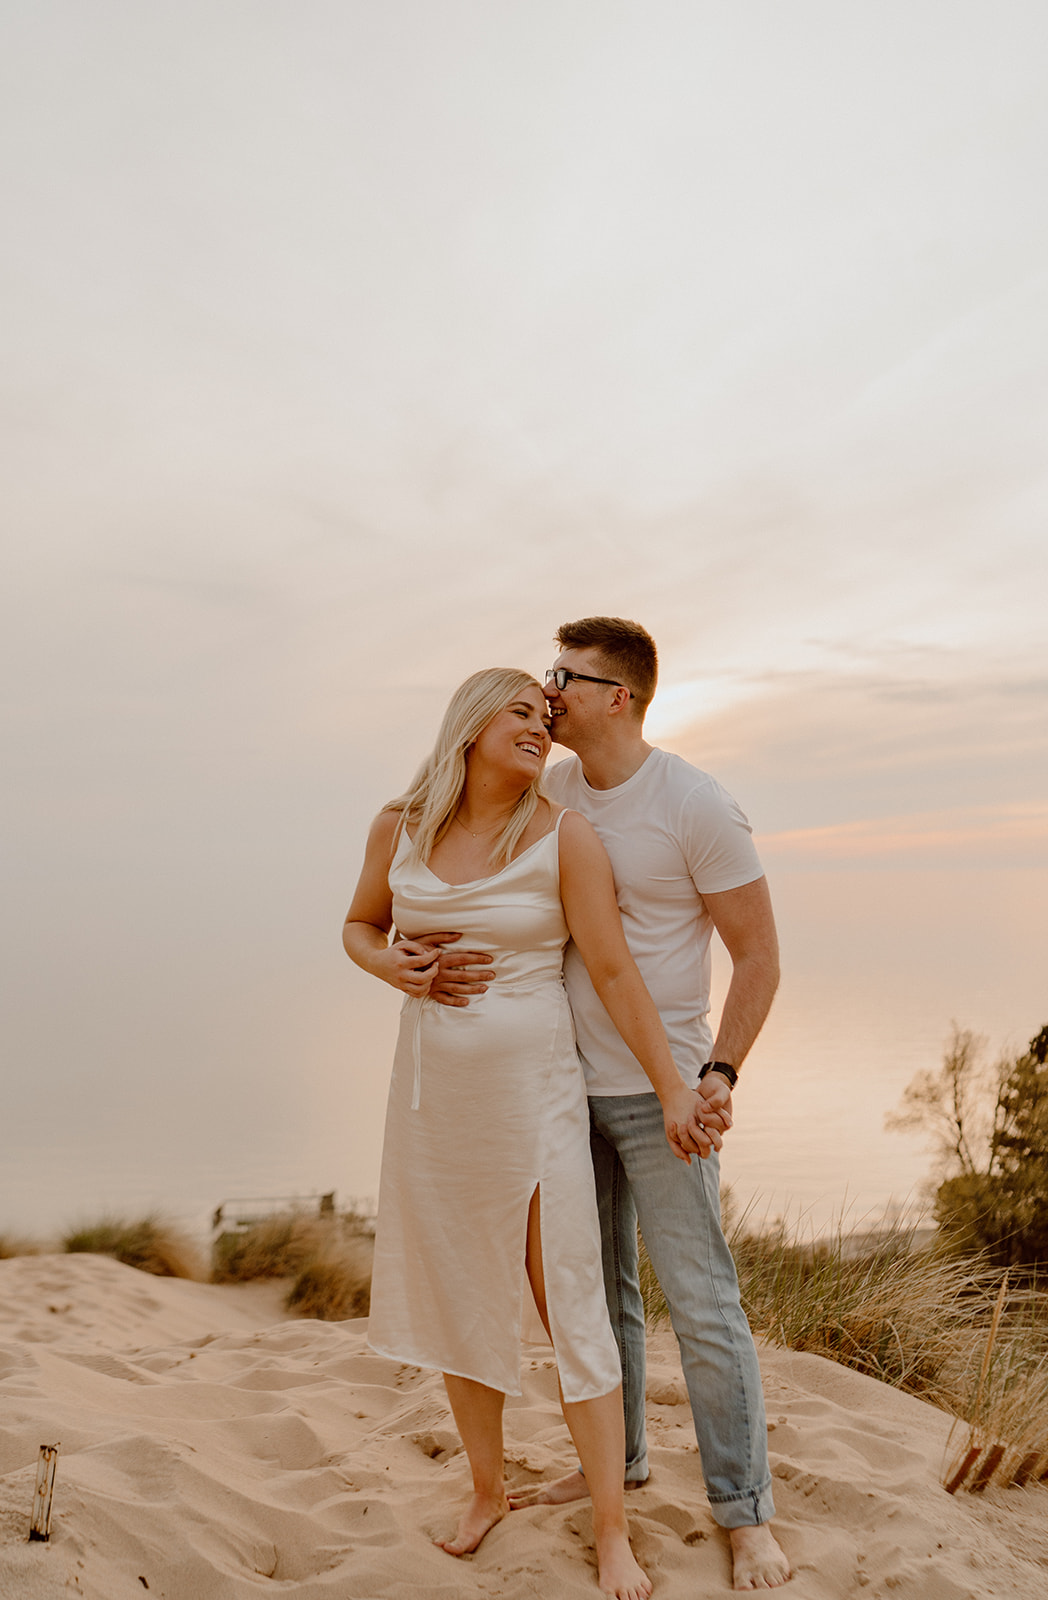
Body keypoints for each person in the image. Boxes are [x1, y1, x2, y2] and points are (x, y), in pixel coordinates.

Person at [342, 666, 722, 1600]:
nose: (538, 728)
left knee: (572, 1308)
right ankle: (485, 1490)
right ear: (470, 725)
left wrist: (675, 1089)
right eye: (520, 711)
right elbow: (358, 927)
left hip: (537, 1100)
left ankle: (610, 1528)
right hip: (435, 1105)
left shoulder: (565, 836)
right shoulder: (399, 827)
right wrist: (397, 970)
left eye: (542, 719)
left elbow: (614, 971)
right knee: (459, 1294)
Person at [426, 624, 792, 1592]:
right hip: (557, 1088)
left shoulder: (694, 804)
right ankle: (619, 1466)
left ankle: (745, 1512)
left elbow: (758, 957)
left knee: (701, 1301)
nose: (548, 693)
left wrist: (714, 1076)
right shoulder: (552, 793)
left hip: (659, 1090)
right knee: (596, 1302)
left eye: (564, 678)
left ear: (615, 696)